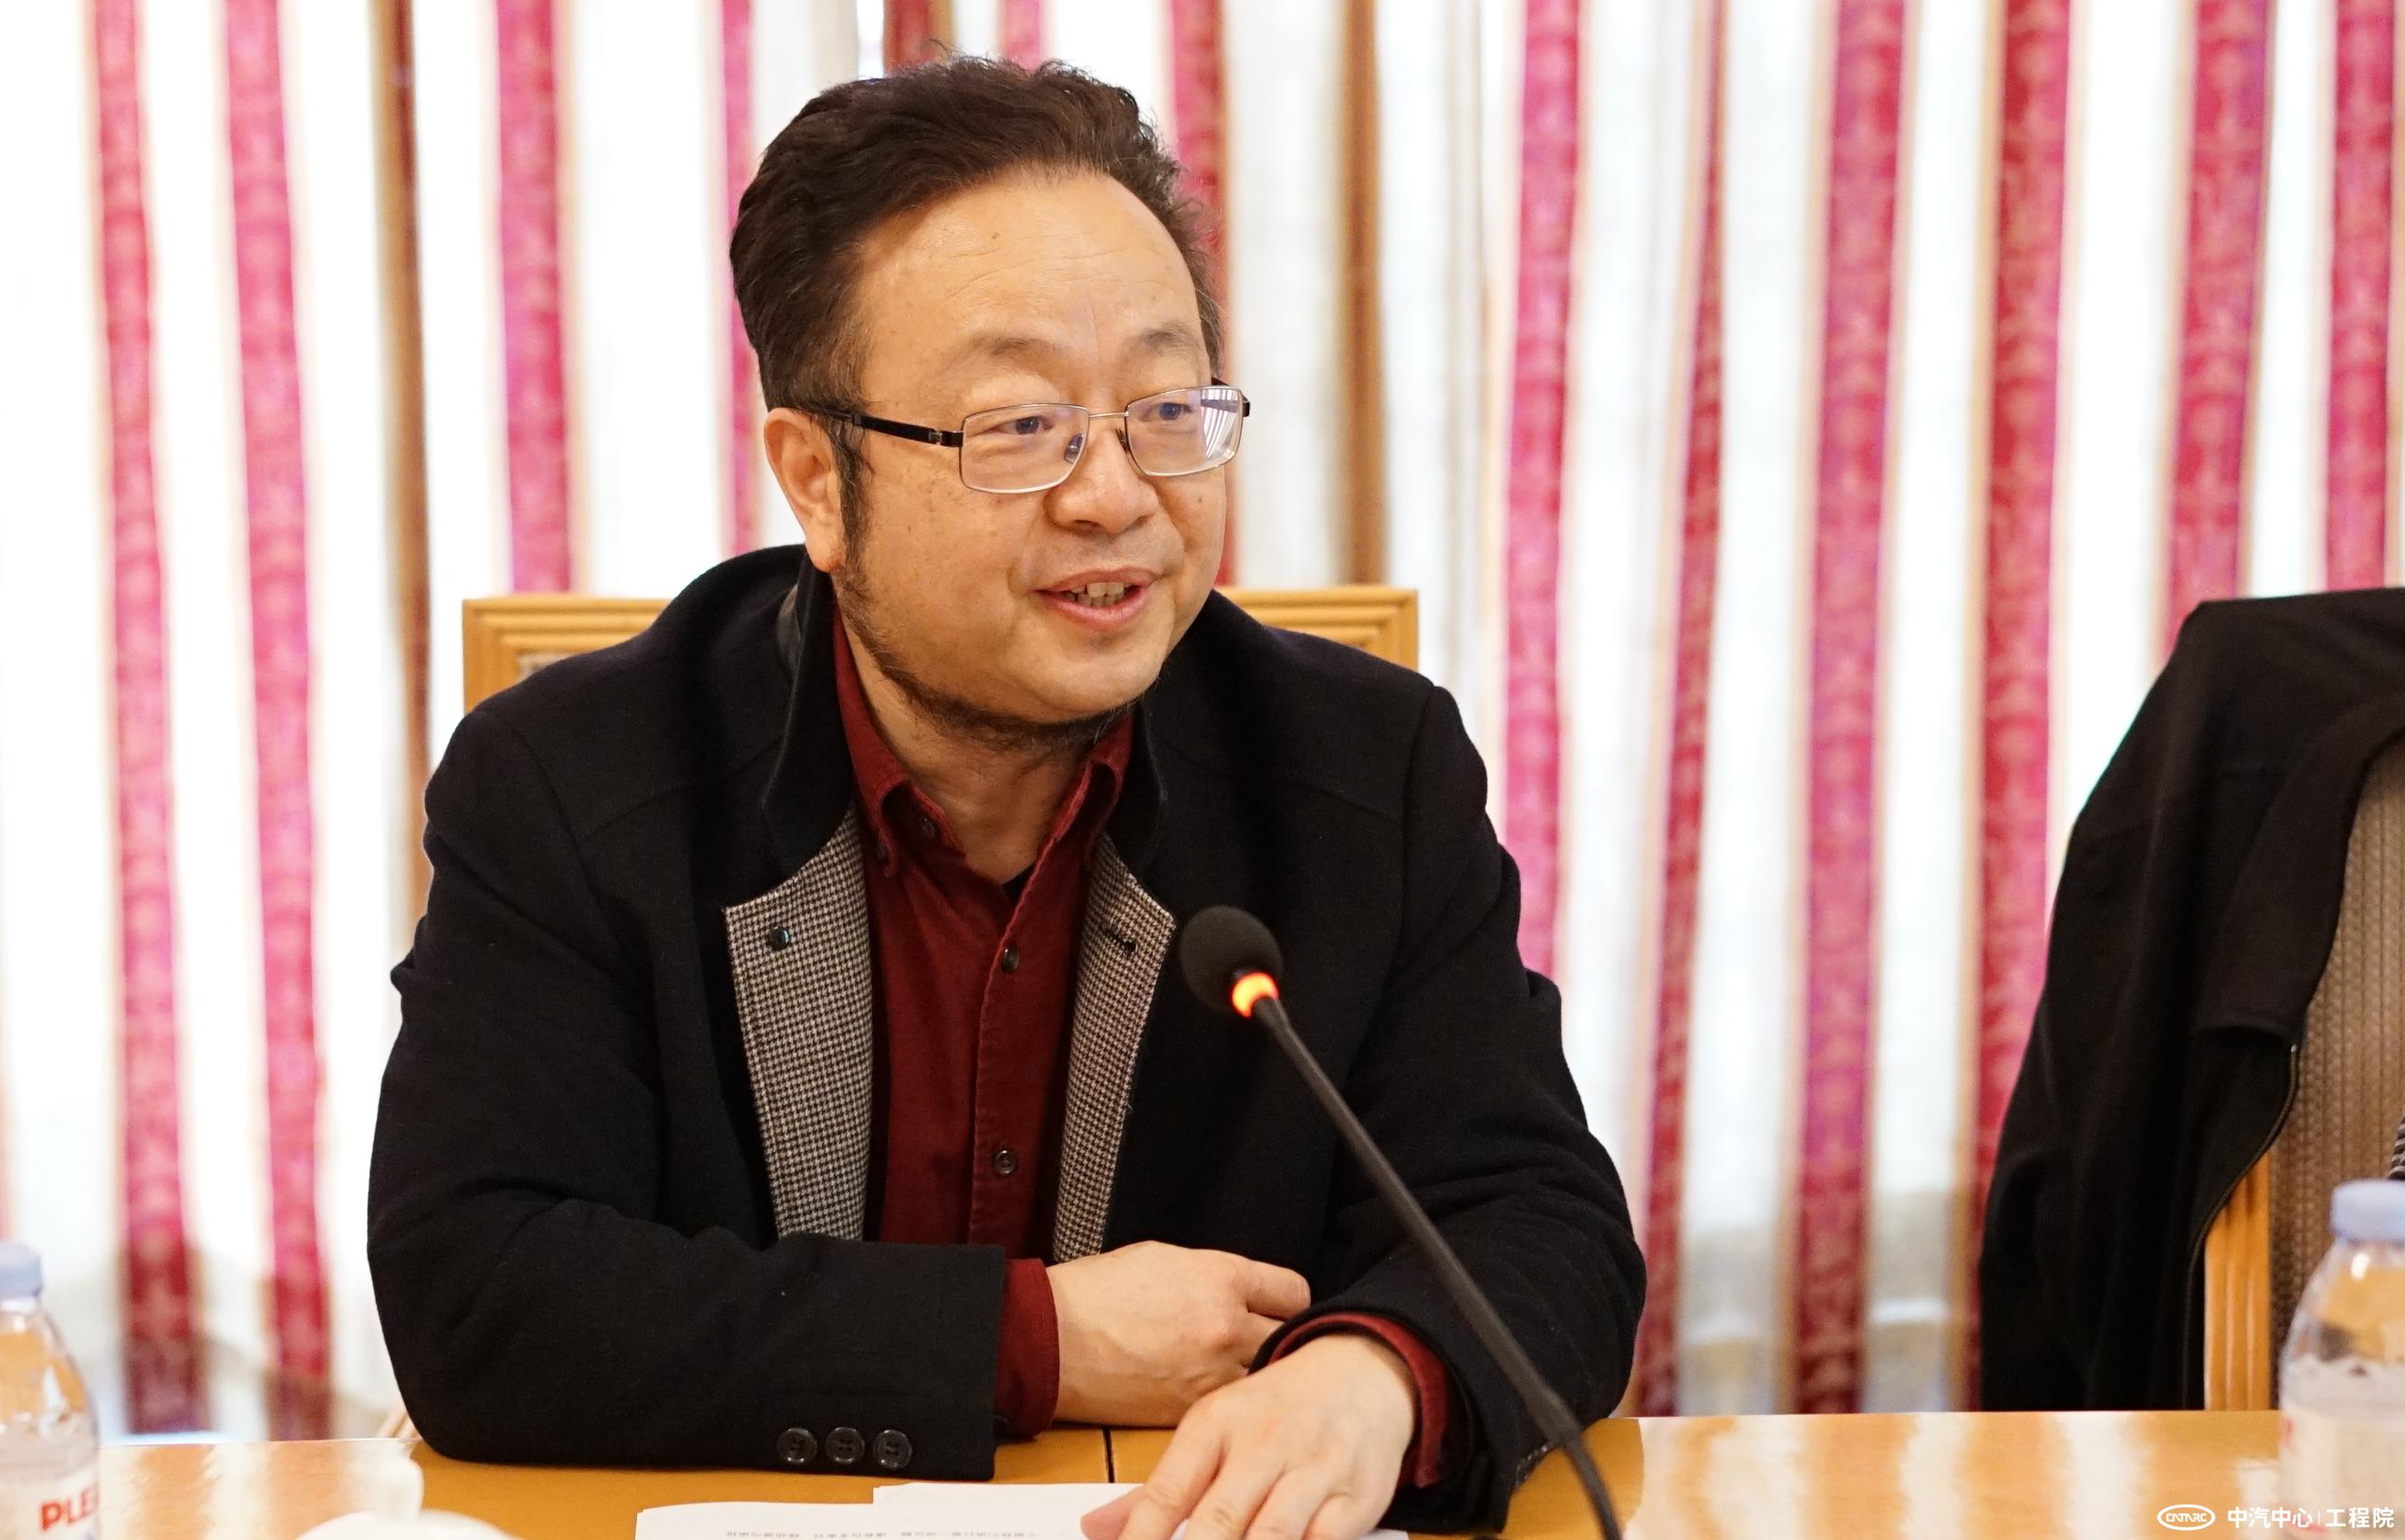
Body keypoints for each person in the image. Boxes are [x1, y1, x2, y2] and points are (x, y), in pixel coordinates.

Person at [369, 57, 1640, 1539]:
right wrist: (1035, 1337)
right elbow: (483, 1291)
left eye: (1165, 407)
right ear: (818, 482)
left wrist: (1377, 1378)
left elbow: (1543, 1222)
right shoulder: (569, 781)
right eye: (1022, 427)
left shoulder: (1369, 769)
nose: (1116, 496)